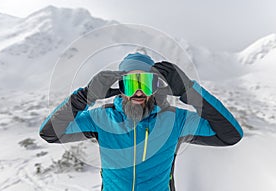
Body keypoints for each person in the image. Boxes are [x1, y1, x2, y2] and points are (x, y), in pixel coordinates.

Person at [39, 52, 243, 191]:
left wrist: (189, 91)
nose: (138, 92)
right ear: (119, 87)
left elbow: (230, 135)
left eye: (144, 84)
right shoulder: (101, 118)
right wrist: (85, 97)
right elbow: (50, 133)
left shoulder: (175, 120)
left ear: (155, 86)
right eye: (130, 84)